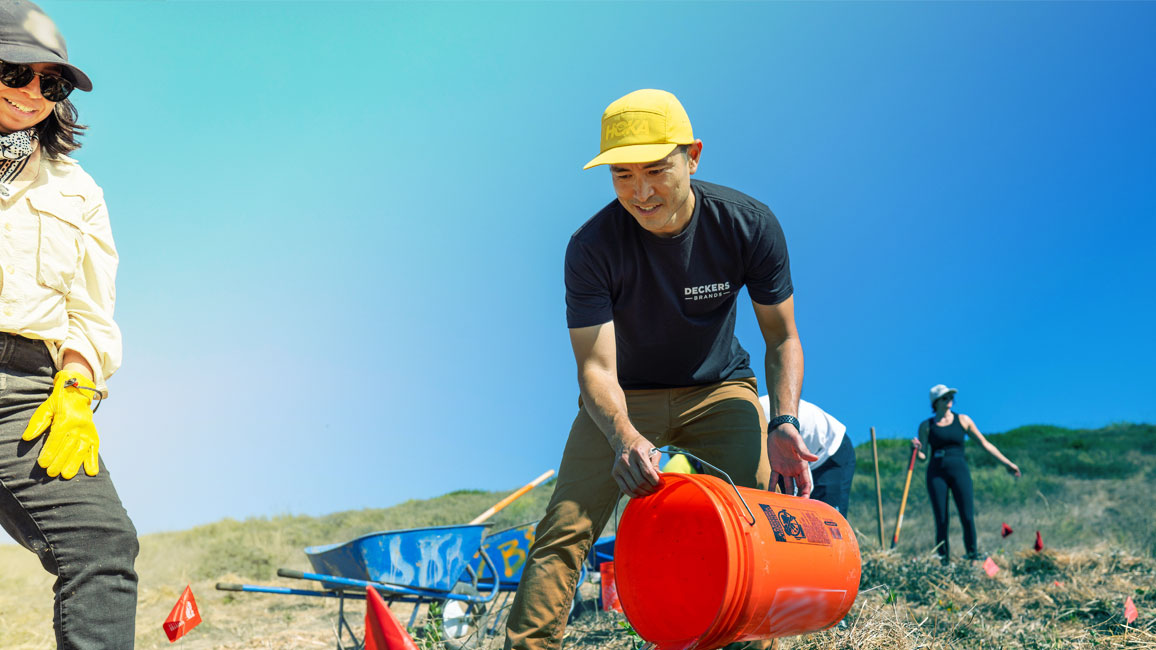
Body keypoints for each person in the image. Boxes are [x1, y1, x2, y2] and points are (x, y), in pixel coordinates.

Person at [504, 88, 815, 650]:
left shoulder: (748, 225)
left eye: (656, 170)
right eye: (622, 175)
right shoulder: (591, 247)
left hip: (720, 390)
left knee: (748, 527)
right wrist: (623, 437)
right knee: (565, 527)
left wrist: (784, 421)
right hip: (626, 398)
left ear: (692, 156)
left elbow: (782, 338)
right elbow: (596, 369)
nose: (641, 192)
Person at [0, 2, 139, 647]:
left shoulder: (78, 191)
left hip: (26, 394)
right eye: (14, 73)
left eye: (48, 84)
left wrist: (78, 387)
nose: (33, 94)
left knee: (102, 546)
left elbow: (90, 311)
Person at [912, 384, 1020, 562]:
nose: (950, 401)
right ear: (936, 402)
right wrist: (916, 450)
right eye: (945, 398)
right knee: (941, 518)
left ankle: (972, 556)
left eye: (951, 397)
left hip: (959, 469)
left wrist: (1007, 463)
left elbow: (984, 444)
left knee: (967, 516)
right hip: (936, 472)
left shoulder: (963, 420)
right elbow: (923, 456)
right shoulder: (926, 426)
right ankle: (943, 561)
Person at [758, 395, 855, 515]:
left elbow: (805, 485)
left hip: (832, 452)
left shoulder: (764, 425)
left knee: (827, 520)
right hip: (791, 450)